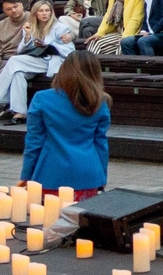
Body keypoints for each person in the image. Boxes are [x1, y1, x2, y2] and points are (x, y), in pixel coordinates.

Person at [22, 53, 111, 196]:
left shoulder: (42, 98)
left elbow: (34, 142)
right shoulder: (100, 102)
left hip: (50, 174)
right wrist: (102, 176)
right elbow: (101, 144)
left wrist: (26, 175)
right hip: (88, 175)